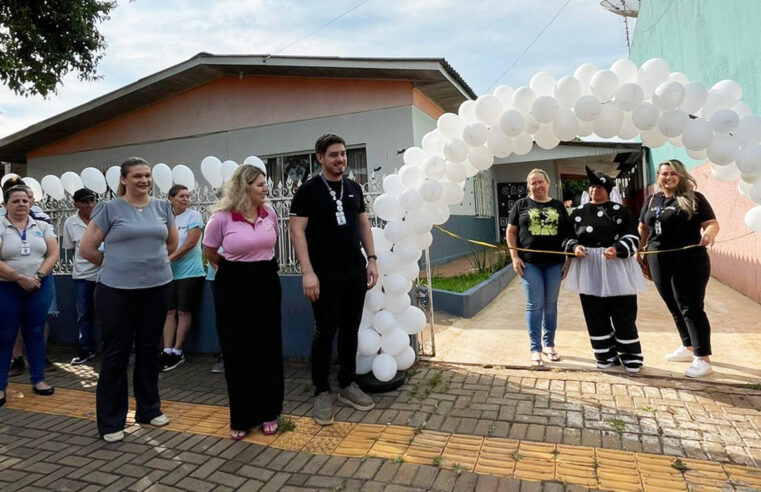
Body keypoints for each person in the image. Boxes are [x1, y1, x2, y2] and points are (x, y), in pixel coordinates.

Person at [79, 157, 178, 442]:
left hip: (157, 288)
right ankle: (111, 421)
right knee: (116, 353)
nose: (144, 180)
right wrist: (116, 265)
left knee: (149, 349)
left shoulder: (162, 207)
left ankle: (149, 409)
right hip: (116, 291)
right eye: (137, 176)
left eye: (147, 175)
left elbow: (170, 243)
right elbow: (87, 249)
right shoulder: (110, 209)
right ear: (123, 179)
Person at [289, 133, 379, 426]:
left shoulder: (353, 188)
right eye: (333, 155)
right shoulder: (308, 191)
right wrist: (307, 272)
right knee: (325, 330)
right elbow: (296, 232)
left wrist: (372, 259)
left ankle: (347, 384)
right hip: (323, 275)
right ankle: (321, 390)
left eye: (342, 154)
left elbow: (363, 224)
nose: (340, 159)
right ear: (319, 158)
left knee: (350, 329)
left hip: (355, 270)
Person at [202, 164, 283, 440]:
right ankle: (242, 416)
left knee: (268, 346)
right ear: (244, 186)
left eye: (265, 184)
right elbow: (209, 252)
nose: (265, 188)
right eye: (260, 184)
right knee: (238, 350)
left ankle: (269, 412)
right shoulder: (221, 219)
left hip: (266, 282)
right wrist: (234, 270)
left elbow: (270, 246)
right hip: (233, 286)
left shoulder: (269, 212)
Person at [638, 159, 719, 378]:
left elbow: (711, 223)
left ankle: (702, 358)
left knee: (690, 307)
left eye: (673, 173)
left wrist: (708, 234)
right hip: (658, 258)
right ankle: (688, 346)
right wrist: (640, 252)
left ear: (681, 176)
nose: (669, 177)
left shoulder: (694, 198)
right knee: (673, 305)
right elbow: (643, 227)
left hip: (689, 259)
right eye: (664, 174)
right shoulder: (652, 199)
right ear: (658, 176)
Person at [563, 167, 646, 373]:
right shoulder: (578, 213)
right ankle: (605, 354)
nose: (594, 191)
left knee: (623, 311)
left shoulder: (621, 211)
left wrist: (617, 249)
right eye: (592, 187)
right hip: (589, 266)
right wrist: (575, 247)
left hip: (616, 266)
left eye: (599, 187)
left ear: (607, 190)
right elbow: (567, 236)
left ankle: (630, 356)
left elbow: (633, 236)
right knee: (594, 312)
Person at [0, 186, 59, 407]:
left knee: (35, 333)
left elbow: (53, 253)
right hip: (6, 287)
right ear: (5, 205)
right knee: (5, 335)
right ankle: (0, 386)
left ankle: (39, 380)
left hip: (39, 286)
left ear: (31, 203)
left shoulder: (42, 226)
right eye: (15, 201)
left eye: (25, 200)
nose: (21, 204)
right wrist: (18, 277)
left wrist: (37, 276)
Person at [506, 169, 572, 367]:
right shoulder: (521, 205)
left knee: (550, 304)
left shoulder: (558, 206)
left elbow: (569, 235)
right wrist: (515, 257)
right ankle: (535, 349)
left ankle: (549, 345)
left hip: (554, 263)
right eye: (533, 183)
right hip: (530, 263)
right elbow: (511, 232)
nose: (537, 186)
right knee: (535, 304)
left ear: (548, 183)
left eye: (540, 182)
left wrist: (568, 261)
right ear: (529, 186)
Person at [160, 184, 206, 372]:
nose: (185, 199)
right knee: (170, 311)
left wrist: (169, 258)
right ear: (170, 199)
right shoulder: (164, 218)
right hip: (168, 272)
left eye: (187, 196)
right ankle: (166, 350)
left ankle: (178, 352)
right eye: (181, 196)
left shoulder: (193, 216)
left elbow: (190, 243)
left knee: (183, 311)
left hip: (189, 272)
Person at [62, 188, 101, 365]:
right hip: (83, 275)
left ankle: (111, 349)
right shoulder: (70, 223)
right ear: (76, 204)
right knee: (84, 313)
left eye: (92, 200)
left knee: (108, 312)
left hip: (105, 273)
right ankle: (86, 348)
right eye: (85, 202)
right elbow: (71, 249)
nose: (90, 205)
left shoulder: (103, 218)